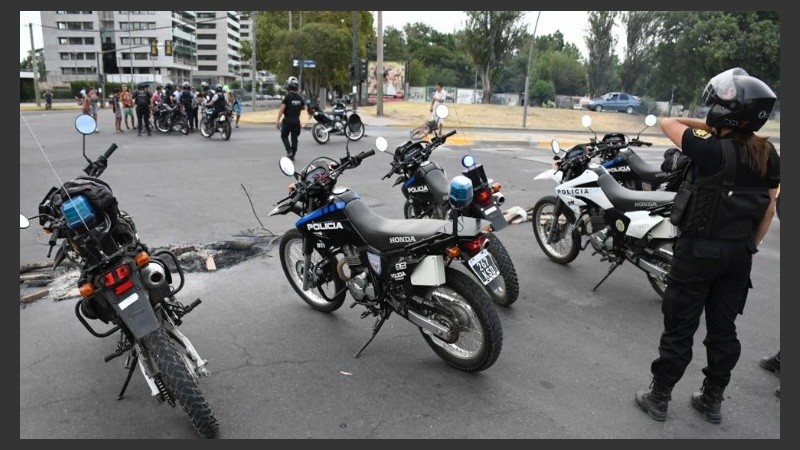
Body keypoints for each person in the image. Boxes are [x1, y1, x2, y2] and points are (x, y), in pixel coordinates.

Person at [634, 68, 780, 424]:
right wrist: (752, 245)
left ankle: (659, 397)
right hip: (738, 255)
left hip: (699, 252)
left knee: (680, 326)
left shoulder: (710, 148)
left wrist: (711, 123)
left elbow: (668, 123)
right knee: (723, 330)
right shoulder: (767, 153)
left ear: (726, 113)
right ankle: (711, 399)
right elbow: (770, 205)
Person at [275, 76, 305, 160]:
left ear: (289, 86)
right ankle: (293, 154)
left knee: (284, 136)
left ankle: (289, 152)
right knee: (294, 138)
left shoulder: (287, 97)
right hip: (296, 121)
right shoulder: (300, 98)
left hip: (288, 120)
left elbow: (281, 109)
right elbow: (303, 108)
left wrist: (277, 120)